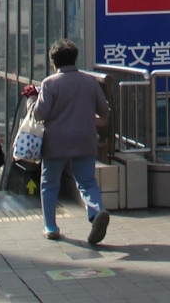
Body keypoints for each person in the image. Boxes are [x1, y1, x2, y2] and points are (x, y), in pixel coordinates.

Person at [30, 40, 111, 244]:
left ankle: (50, 227)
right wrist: (101, 120)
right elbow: (103, 109)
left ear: (53, 61)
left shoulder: (49, 83)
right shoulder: (89, 81)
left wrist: (31, 99)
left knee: (49, 183)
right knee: (87, 181)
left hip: (56, 141)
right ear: (75, 58)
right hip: (85, 138)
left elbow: (40, 114)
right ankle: (96, 212)